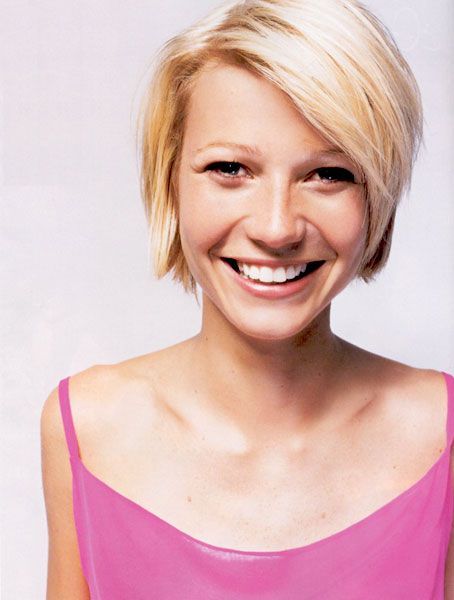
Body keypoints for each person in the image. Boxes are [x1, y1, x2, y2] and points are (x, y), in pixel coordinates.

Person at [40, 0, 454, 598]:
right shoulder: (86, 427)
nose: (277, 227)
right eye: (230, 168)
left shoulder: (441, 434)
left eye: (329, 174)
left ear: (378, 196)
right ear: (170, 184)